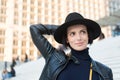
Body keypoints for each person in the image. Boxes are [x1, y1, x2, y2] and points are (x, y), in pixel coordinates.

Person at [30, 12, 113, 80]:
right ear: (67, 39)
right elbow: (34, 29)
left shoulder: (105, 72)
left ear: (88, 35)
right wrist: (62, 30)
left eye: (83, 32)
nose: (79, 38)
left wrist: (68, 31)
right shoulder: (54, 59)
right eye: (72, 34)